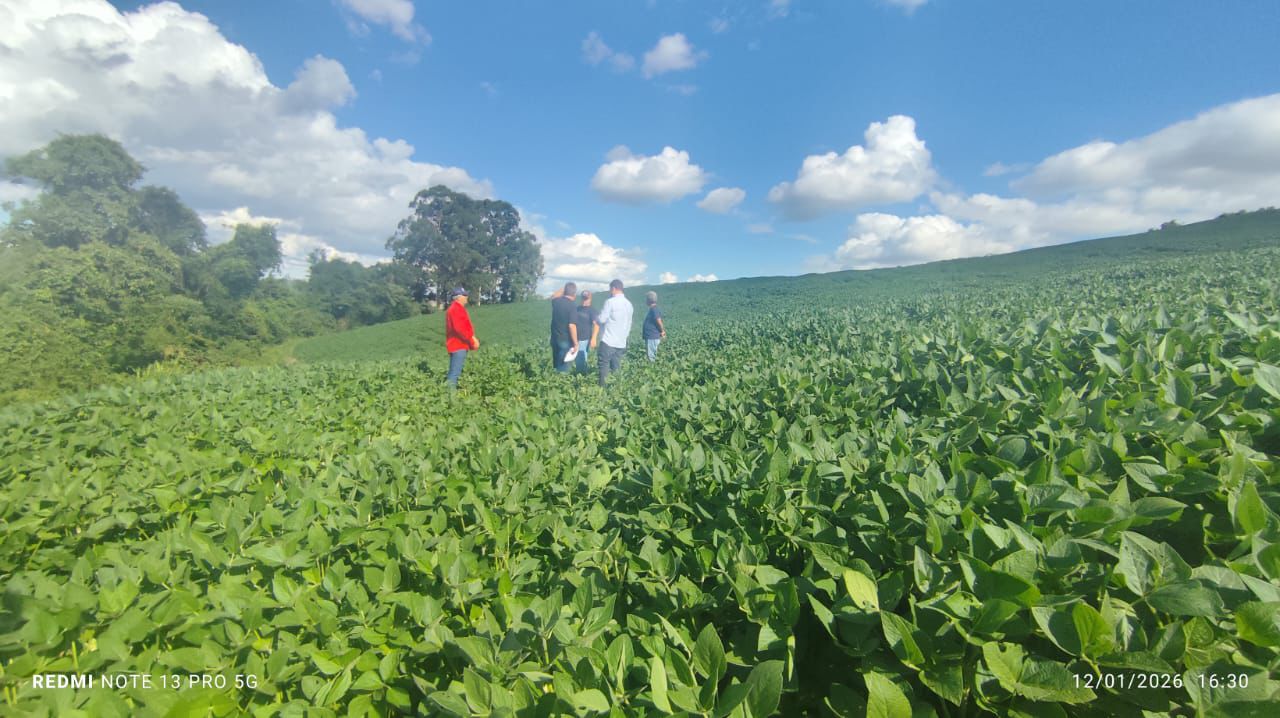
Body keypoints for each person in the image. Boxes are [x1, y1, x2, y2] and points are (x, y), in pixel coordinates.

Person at [591, 278, 634, 386]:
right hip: (621, 341)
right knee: (616, 365)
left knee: (603, 365)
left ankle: (602, 389)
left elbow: (602, 319)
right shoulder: (629, 304)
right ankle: (616, 388)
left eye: (610, 289)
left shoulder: (610, 302)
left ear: (614, 288)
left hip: (608, 340)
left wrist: (596, 318)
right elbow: (629, 323)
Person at [444, 287, 479, 388]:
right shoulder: (456, 309)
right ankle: (450, 395)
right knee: (454, 374)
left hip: (458, 345)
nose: (467, 297)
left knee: (455, 372)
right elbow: (460, 329)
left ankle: (450, 393)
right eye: (465, 295)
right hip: (458, 345)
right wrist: (472, 341)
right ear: (459, 297)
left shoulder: (456, 308)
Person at [548, 282, 579, 372]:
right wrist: (576, 343)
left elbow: (553, 296)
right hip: (565, 340)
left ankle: (553, 379)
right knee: (563, 367)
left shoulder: (556, 302)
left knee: (556, 364)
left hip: (554, 338)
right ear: (574, 294)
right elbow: (572, 325)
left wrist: (564, 289)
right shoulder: (572, 305)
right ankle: (561, 380)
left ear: (565, 292)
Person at [574, 289, 599, 373]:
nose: (585, 300)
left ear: (590, 298)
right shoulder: (577, 309)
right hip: (575, 338)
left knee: (581, 360)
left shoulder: (592, 310)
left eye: (586, 298)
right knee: (577, 360)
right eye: (583, 298)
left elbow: (596, 324)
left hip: (584, 339)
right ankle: (581, 375)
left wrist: (594, 338)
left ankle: (582, 376)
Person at [643, 290, 666, 361]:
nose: (645, 300)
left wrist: (662, 331)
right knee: (652, 355)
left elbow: (658, 320)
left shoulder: (654, 309)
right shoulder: (653, 309)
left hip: (652, 336)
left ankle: (653, 367)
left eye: (646, 299)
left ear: (649, 300)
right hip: (652, 336)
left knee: (651, 357)